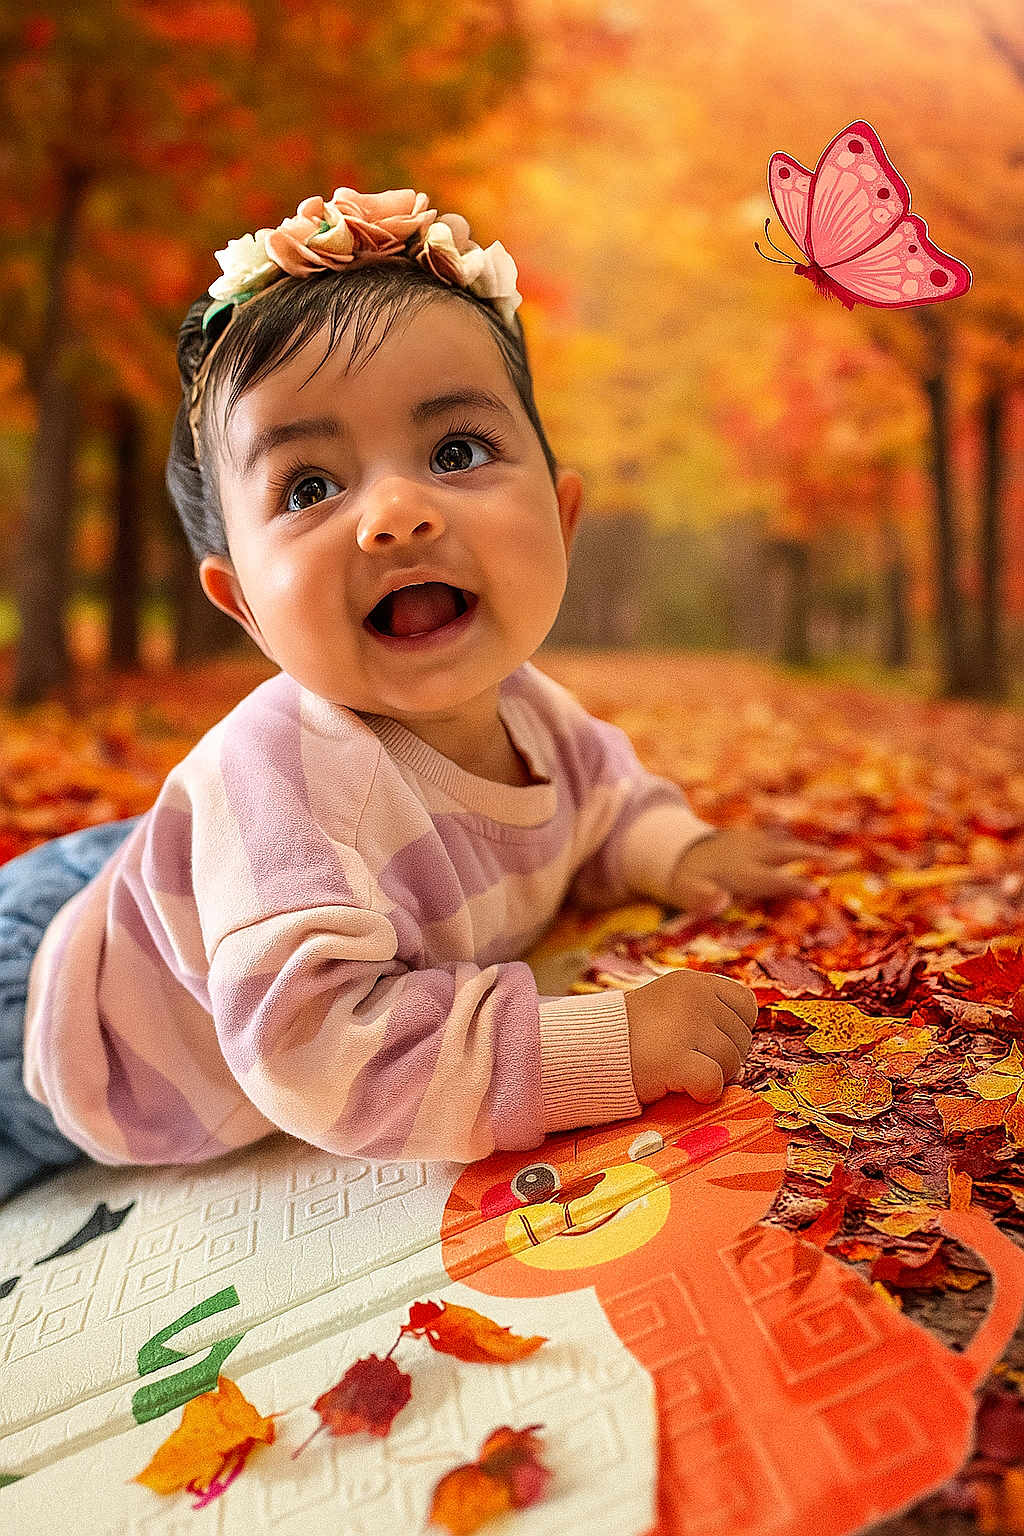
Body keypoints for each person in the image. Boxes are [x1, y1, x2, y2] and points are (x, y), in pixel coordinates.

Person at [1, 187, 825, 1203]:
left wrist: (678, 851)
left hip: (190, 874)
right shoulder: (283, 776)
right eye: (309, 486)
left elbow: (602, 797)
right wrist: (602, 1045)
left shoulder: (533, 714)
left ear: (562, 518)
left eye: (454, 452)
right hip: (61, 1009)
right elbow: (317, 1050)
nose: (396, 512)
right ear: (244, 605)